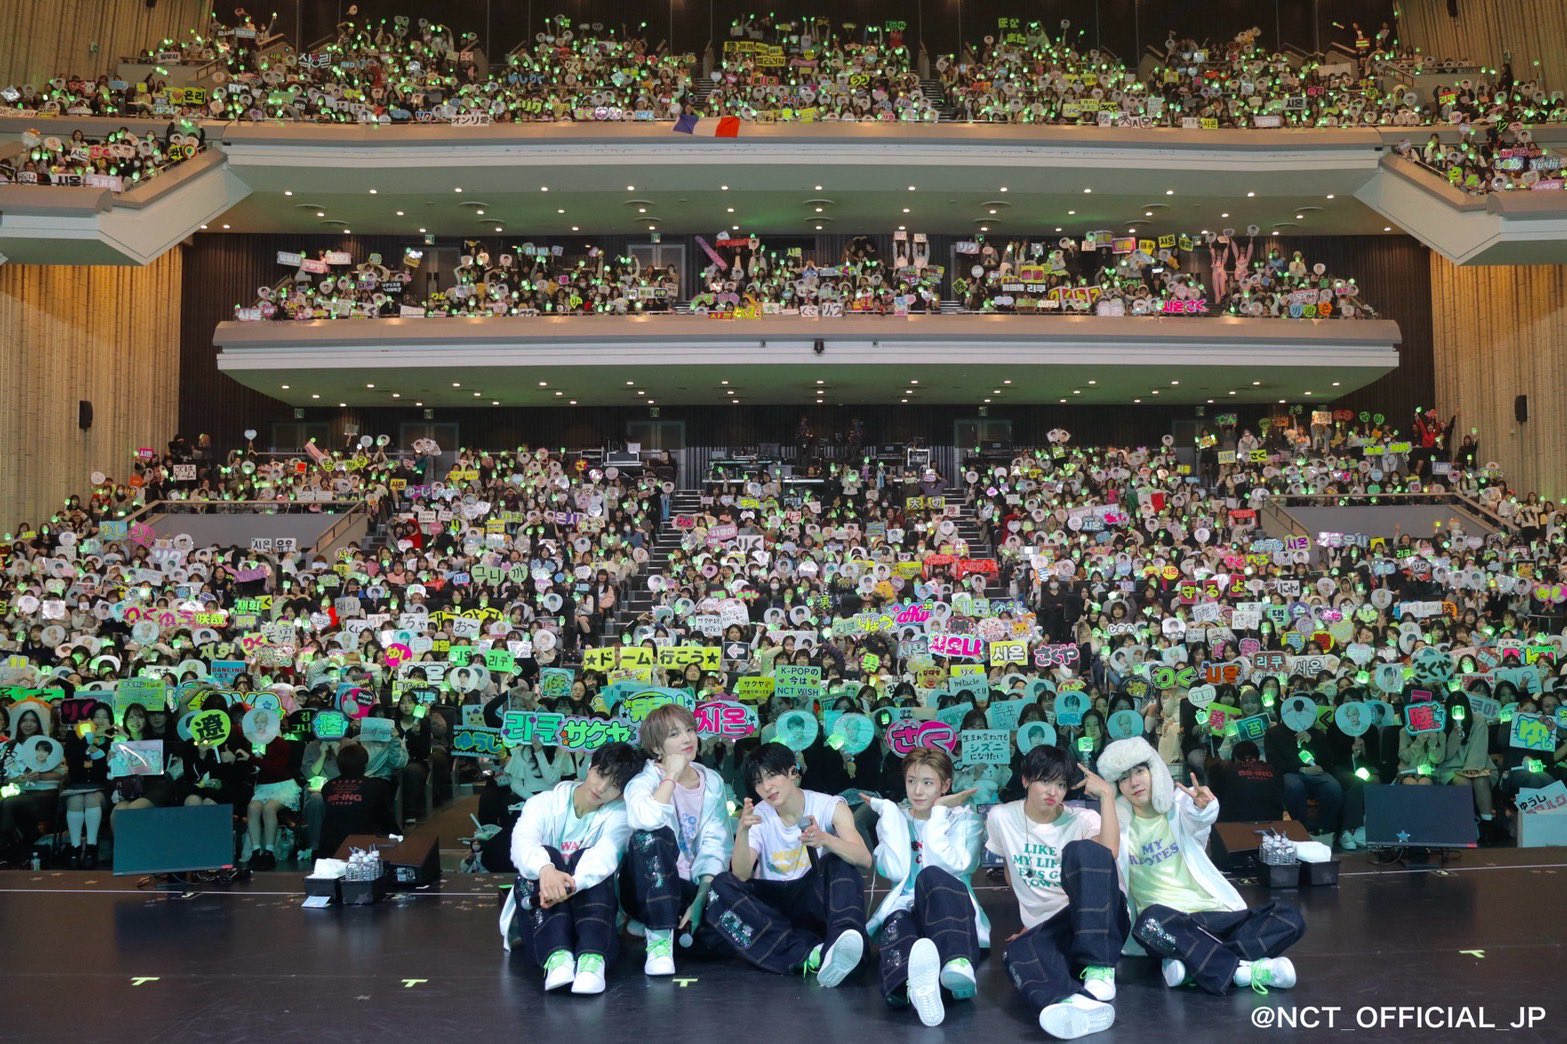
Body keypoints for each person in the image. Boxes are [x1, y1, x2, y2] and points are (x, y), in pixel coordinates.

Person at [1098, 737, 1305, 996]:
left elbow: (1198, 815)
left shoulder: (1177, 805)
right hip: (1168, 921)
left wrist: (1202, 806)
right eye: (1124, 777)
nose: (1134, 782)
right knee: (1148, 923)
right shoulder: (1117, 827)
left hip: (1213, 912)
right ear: (1117, 786)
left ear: (1154, 771)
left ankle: (1193, 961)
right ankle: (1241, 972)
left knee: (1290, 917)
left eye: (1139, 771)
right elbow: (1107, 854)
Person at [702, 741, 872, 986]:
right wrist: (743, 832)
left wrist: (825, 839)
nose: (766, 787)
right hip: (773, 907)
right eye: (758, 781)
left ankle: (844, 943)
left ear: (793, 772)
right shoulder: (759, 815)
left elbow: (864, 859)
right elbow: (741, 874)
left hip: (813, 897)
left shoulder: (829, 806)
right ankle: (813, 954)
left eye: (772, 776)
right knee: (721, 885)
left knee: (839, 863)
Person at [984, 743, 1123, 1040]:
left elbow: (1108, 853)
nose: (1053, 791)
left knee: (1082, 850)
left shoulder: (1081, 819)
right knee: (1016, 952)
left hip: (1093, 918)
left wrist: (1107, 796)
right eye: (1045, 781)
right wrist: (1031, 922)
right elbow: (1011, 871)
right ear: (1025, 780)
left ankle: (1099, 966)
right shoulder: (1000, 817)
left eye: (1061, 784)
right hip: (1051, 930)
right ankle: (1069, 1002)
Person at [502, 741, 645, 995]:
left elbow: (608, 854)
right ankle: (557, 958)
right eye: (600, 774)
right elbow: (522, 844)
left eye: (614, 784)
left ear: (622, 792)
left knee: (589, 860)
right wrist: (547, 870)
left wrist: (572, 883)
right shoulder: (543, 803)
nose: (601, 787)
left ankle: (592, 959)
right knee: (544, 857)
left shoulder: (619, 815)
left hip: (591, 910)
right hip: (545, 908)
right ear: (589, 767)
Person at [863, 748, 987, 1027]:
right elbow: (893, 871)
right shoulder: (896, 819)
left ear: (945, 785)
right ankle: (909, 986)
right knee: (899, 923)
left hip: (948, 907)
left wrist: (939, 813)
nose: (917, 791)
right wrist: (891, 818)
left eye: (928, 783)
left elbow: (951, 868)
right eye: (911, 781)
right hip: (907, 904)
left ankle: (957, 964)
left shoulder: (966, 820)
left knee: (931, 876)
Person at [621, 704, 735, 976]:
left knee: (724, 932)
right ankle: (659, 937)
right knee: (652, 836)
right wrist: (671, 776)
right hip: (646, 885)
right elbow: (645, 821)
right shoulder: (643, 781)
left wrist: (703, 895)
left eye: (690, 730)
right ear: (656, 747)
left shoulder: (712, 781)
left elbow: (717, 842)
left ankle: (804, 953)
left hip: (690, 886)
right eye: (674, 734)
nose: (687, 739)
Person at [317, 742, 396, 858]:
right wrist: (398, 837)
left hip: (330, 851)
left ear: (339, 765)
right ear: (365, 764)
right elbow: (386, 818)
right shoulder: (376, 786)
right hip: (365, 850)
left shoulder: (327, 787)